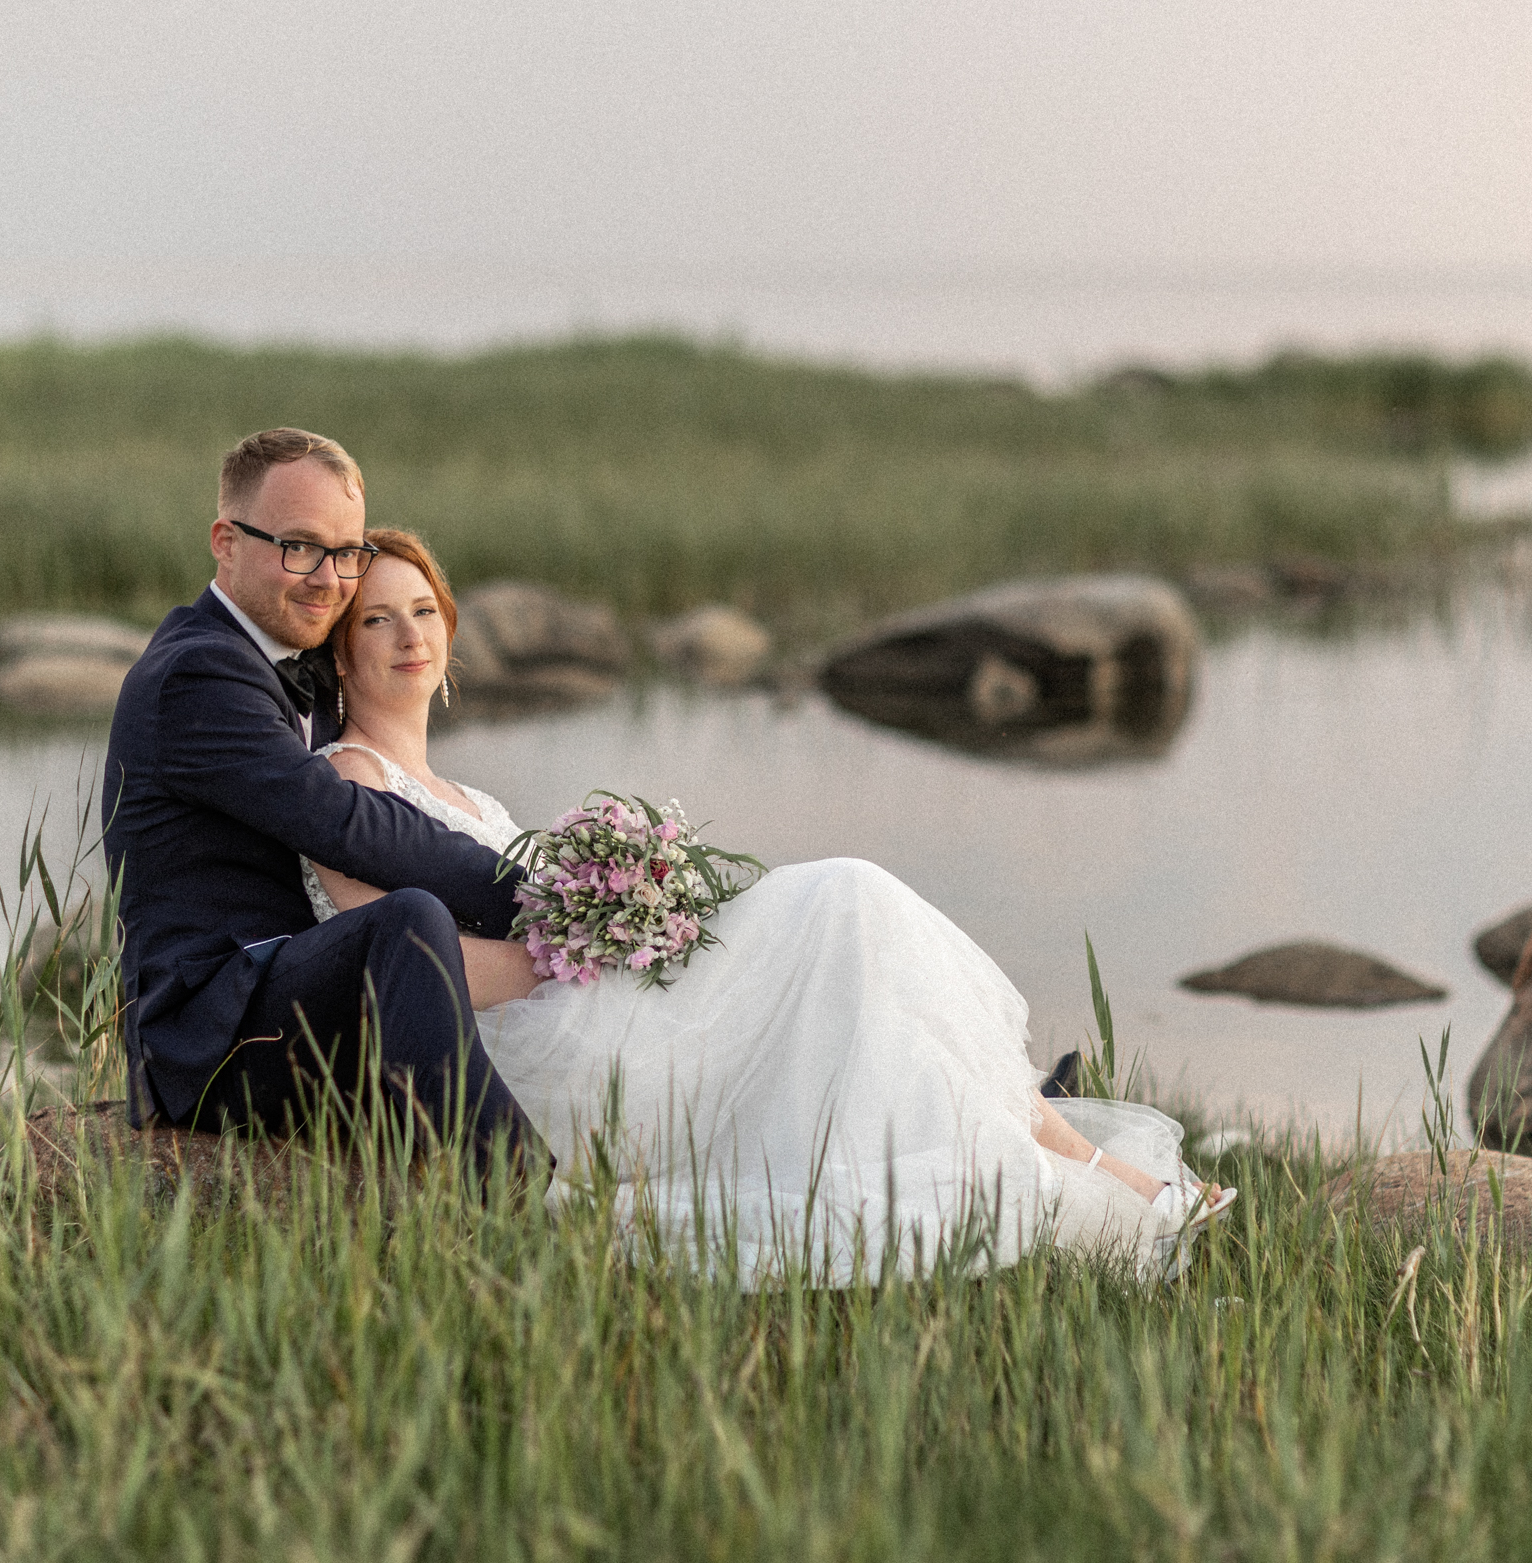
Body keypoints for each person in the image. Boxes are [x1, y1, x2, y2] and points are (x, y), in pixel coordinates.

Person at [301, 528, 1236, 1283]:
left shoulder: (470, 797)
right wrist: (583, 945)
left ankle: (1092, 1169)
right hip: (534, 1050)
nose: (409, 636)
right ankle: (1103, 1177)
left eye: (423, 610)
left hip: (589, 996)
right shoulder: (346, 781)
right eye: (377, 621)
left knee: (862, 954)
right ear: (340, 653)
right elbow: (410, 960)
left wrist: (630, 915)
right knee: (841, 907)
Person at [101, 429, 544, 1170]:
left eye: (345, 552)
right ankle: (507, 1183)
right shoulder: (197, 674)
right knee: (403, 921)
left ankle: (432, 1170)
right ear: (225, 541)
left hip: (293, 992)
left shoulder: (300, 660)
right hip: (213, 1032)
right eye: (299, 546)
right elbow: (342, 819)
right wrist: (538, 900)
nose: (328, 578)